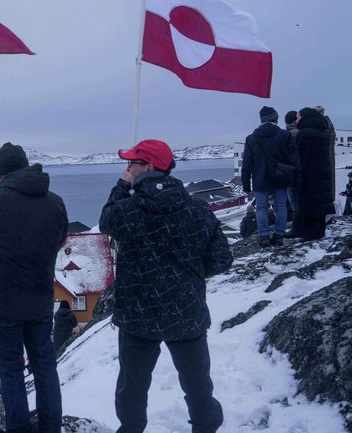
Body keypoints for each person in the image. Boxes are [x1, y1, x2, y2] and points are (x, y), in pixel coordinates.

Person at [99, 139, 233, 433]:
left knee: (133, 387)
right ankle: (206, 426)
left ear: (148, 167)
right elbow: (222, 259)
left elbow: (106, 221)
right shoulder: (197, 209)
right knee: (197, 382)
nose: (127, 168)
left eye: (131, 163)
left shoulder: (128, 209)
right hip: (186, 311)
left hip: (137, 314)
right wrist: (190, 276)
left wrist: (121, 187)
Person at [0, 142, 68, 433]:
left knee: (11, 371)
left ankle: (19, 428)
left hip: (3, 303)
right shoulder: (55, 201)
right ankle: (51, 427)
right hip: (40, 299)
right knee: (45, 366)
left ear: (0, 173)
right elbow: (61, 238)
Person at [241, 106, 300, 247]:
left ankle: (264, 236)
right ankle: (279, 235)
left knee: (261, 207)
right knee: (281, 207)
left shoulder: (251, 138)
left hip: (260, 179)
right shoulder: (285, 135)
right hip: (281, 177)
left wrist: (245, 183)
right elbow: (294, 159)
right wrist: (296, 177)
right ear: (276, 119)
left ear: (261, 120)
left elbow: (247, 163)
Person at [295, 107, 336, 240]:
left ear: (305, 117)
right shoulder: (323, 132)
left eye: (298, 117)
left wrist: (297, 174)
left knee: (309, 202)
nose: (296, 120)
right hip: (322, 172)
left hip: (309, 174)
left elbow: (301, 157)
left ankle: (309, 234)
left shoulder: (304, 134)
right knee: (319, 204)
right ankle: (319, 231)